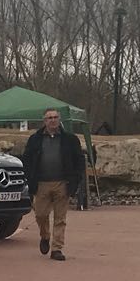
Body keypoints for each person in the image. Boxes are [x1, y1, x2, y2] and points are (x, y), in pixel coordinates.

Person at [22, 107, 85, 261]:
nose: (53, 120)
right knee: (40, 215)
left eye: (55, 117)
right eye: (49, 118)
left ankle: (57, 248)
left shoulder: (70, 139)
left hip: (62, 183)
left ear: (59, 119)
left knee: (60, 218)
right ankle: (45, 236)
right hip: (41, 183)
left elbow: (79, 161)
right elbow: (27, 160)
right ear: (44, 121)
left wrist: (75, 181)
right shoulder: (35, 139)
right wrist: (30, 179)